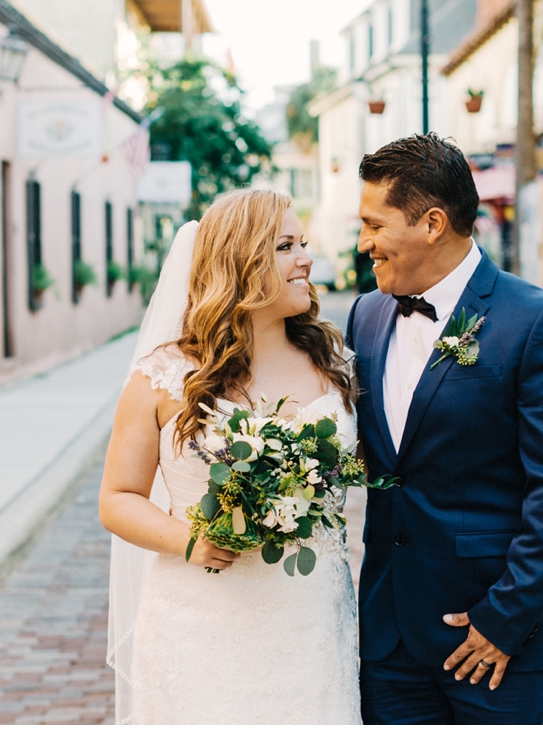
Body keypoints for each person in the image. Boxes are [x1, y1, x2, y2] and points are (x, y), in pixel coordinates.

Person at [347, 132, 543, 725]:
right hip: (388, 642)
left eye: (374, 225)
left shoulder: (540, 323)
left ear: (432, 222)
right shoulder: (365, 314)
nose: (364, 245)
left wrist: (505, 620)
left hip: (495, 645)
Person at [99, 188, 362, 724]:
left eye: (303, 243)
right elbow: (117, 498)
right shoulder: (164, 377)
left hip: (308, 615)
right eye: (286, 246)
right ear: (240, 261)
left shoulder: (330, 361)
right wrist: (190, 539)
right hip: (199, 620)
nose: (306, 259)